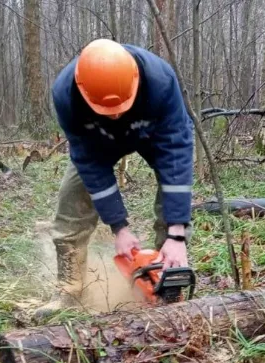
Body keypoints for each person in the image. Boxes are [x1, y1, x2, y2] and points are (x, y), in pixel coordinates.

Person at [36, 39, 194, 317]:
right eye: (109, 110)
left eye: (121, 106)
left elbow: (176, 155)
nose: (116, 114)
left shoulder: (160, 81)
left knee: (171, 194)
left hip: (152, 135)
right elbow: (90, 164)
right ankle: (69, 289)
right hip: (99, 142)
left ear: (134, 79)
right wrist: (119, 227)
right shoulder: (66, 95)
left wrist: (177, 234)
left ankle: (168, 280)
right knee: (72, 200)